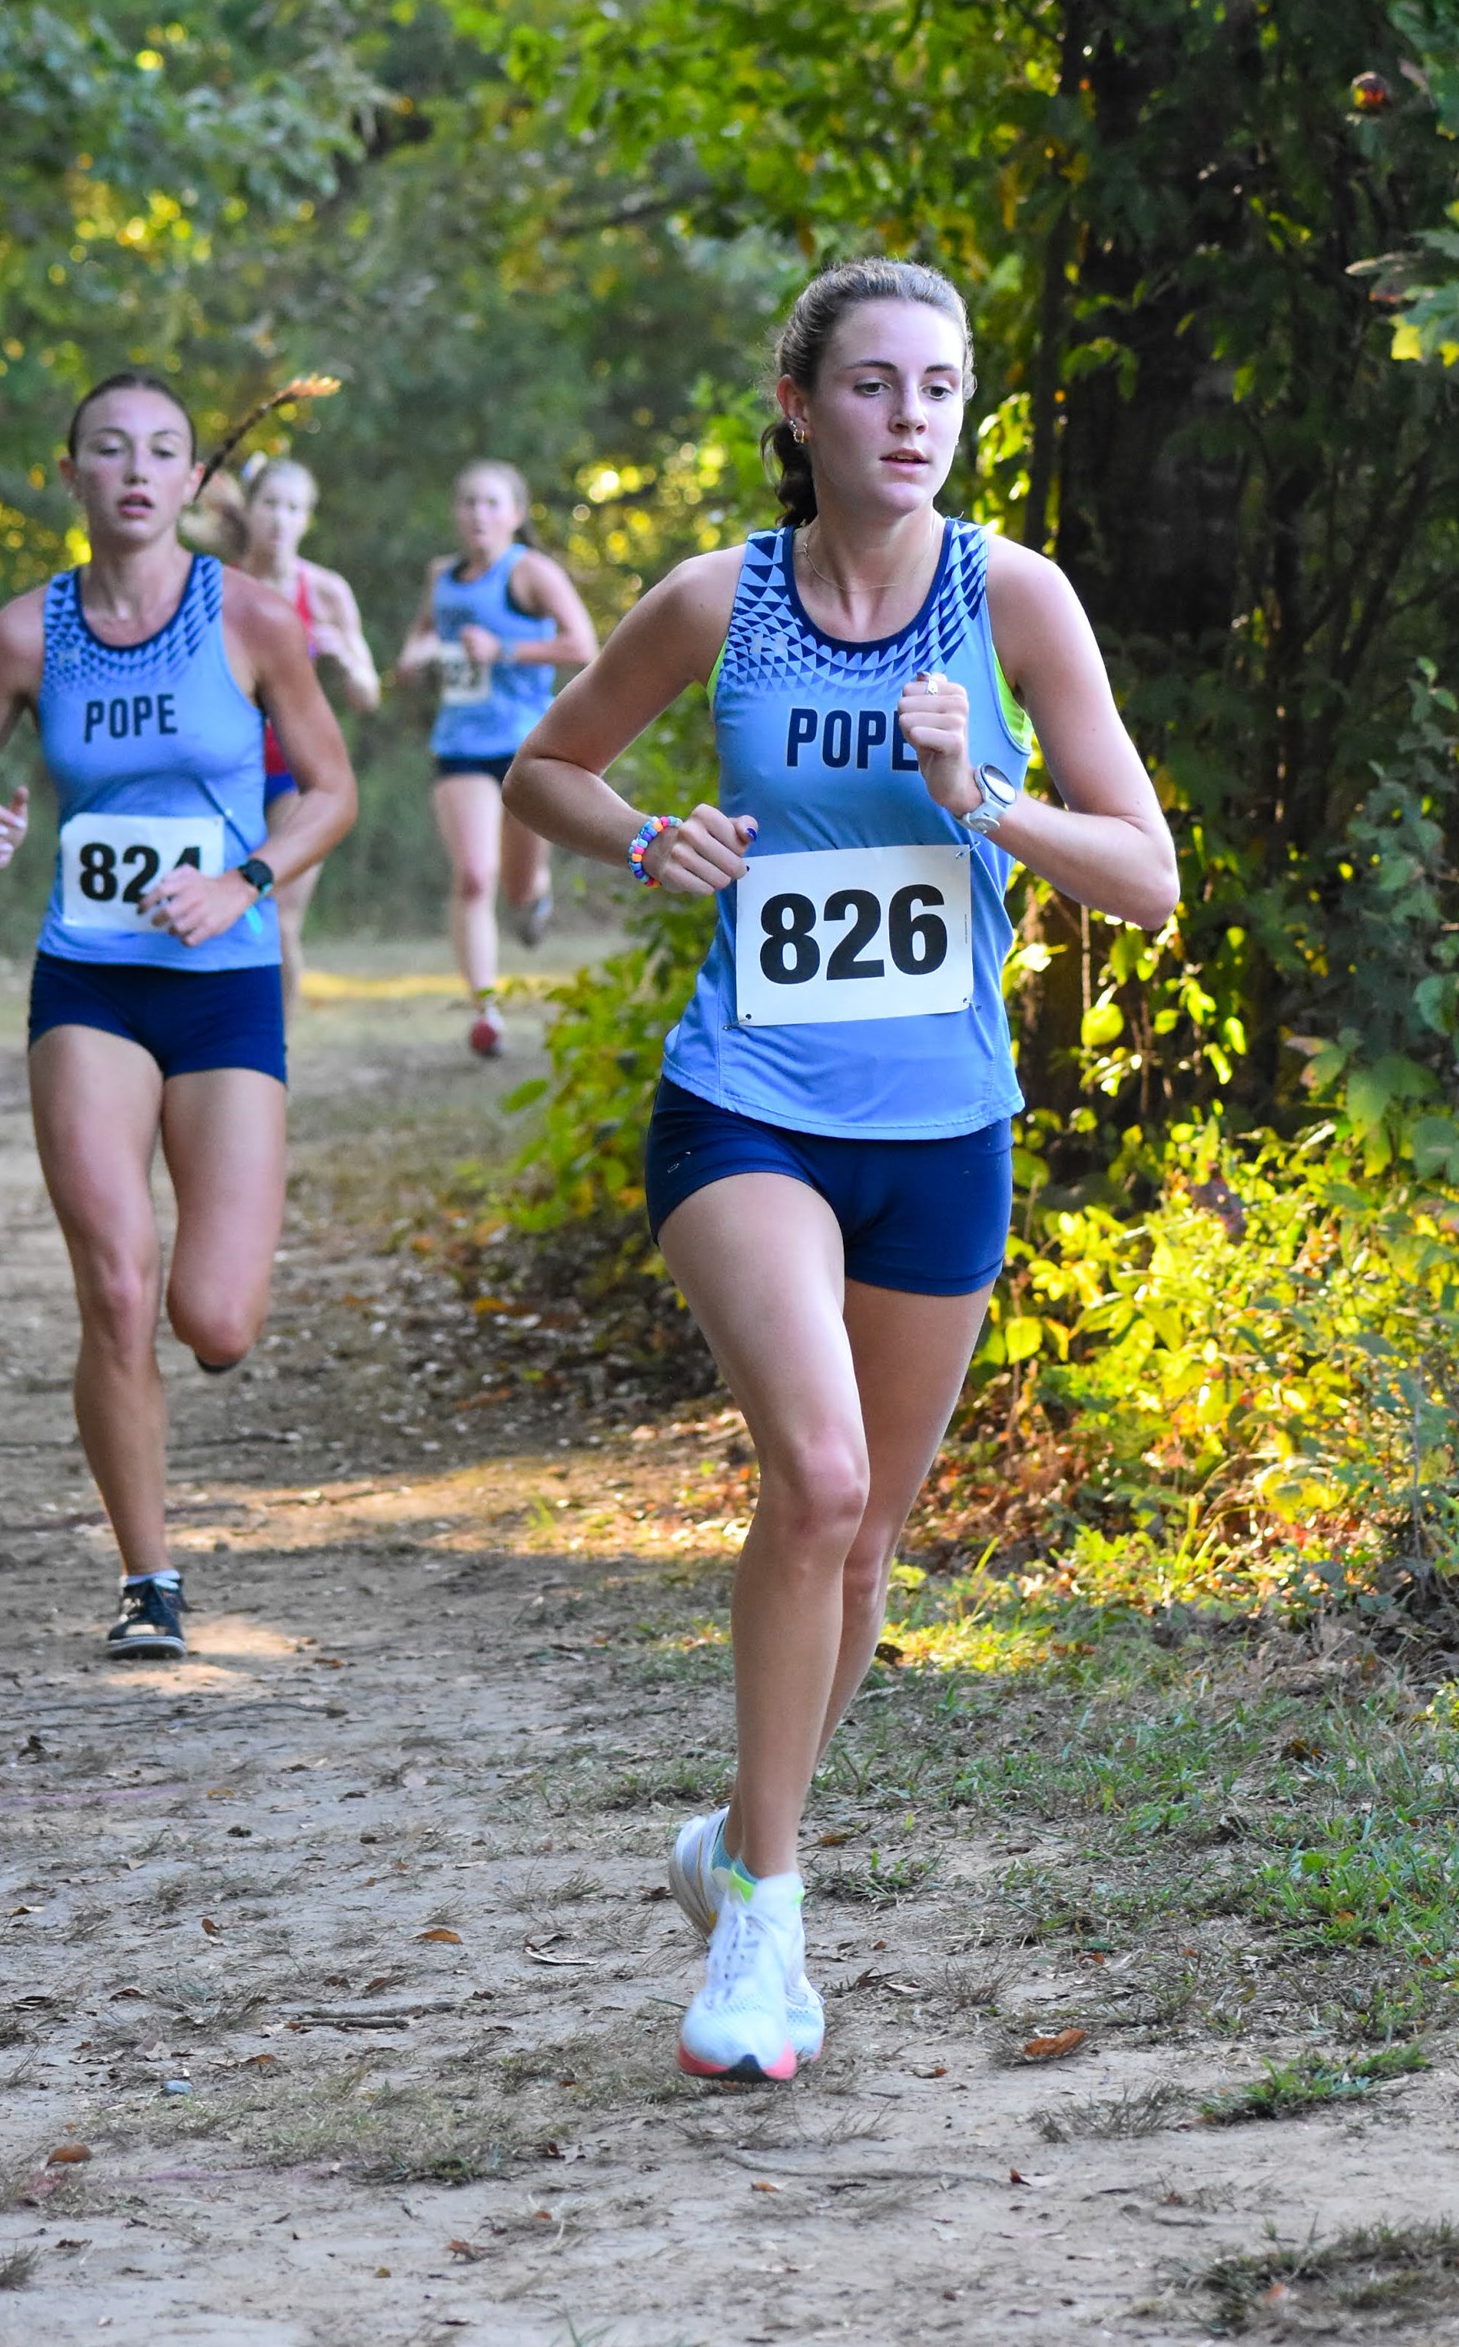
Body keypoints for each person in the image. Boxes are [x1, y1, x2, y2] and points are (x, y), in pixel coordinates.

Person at [504, 257, 1178, 2082]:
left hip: (945, 1130)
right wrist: (652, 834)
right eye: (871, 385)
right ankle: (767, 1935)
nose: (908, 418)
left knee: (870, 1537)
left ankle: (735, 1839)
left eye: (939, 389)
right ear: (800, 407)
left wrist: (988, 802)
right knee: (814, 1479)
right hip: (750, 1106)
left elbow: (1147, 872)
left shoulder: (1014, 598)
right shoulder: (719, 597)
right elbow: (544, 770)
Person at [0, 372, 357, 1664]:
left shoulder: (254, 619)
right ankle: (148, 1580)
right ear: (74, 476)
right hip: (88, 983)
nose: (138, 470)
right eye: (110, 449)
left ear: (192, 483)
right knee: (115, 1284)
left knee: (214, 1319)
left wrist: (244, 879)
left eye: (163, 449)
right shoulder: (21, 635)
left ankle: (196, 1369)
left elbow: (329, 791)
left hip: (225, 986)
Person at [397, 459, 596, 1057]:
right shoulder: (442, 576)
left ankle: (533, 895)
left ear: (514, 514)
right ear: (456, 514)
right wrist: (413, 656)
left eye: (491, 503)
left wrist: (504, 647)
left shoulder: (529, 571)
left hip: (527, 749)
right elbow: (424, 632)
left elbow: (583, 646)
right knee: (473, 876)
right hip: (459, 746)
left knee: (513, 885)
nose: (478, 514)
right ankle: (485, 1013)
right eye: (468, 503)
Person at [242, 454, 382, 1019]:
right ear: (249, 511)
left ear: (308, 519)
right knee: (230, 915)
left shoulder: (325, 592)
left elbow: (368, 695)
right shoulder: (219, 586)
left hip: (300, 772)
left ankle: (271, 1053)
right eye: (271, 504)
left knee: (277, 914)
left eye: (295, 508)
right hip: (227, 770)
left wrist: (343, 657)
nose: (281, 519)